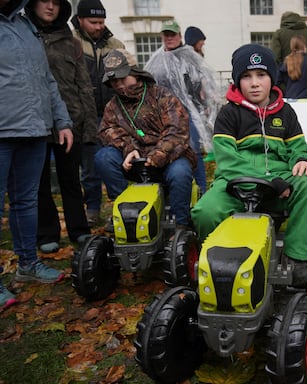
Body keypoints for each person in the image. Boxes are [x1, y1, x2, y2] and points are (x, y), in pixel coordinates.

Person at [191, 44, 307, 288]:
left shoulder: (285, 112)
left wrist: (303, 160)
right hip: (234, 183)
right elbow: (228, 160)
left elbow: (298, 148)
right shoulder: (228, 114)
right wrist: (268, 182)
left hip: (281, 178)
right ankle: (213, 262)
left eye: (261, 75)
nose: (255, 83)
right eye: (246, 76)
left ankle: (296, 261)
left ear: (272, 78)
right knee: (205, 211)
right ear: (237, 81)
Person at [0, 0, 73, 289]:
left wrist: (62, 121)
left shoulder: (24, 26)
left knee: (26, 201)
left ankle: (28, 264)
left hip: (33, 130)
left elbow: (47, 80)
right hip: (3, 130)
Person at [95, 49, 196, 228]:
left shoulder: (162, 96)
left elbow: (177, 130)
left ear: (134, 73)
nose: (118, 85)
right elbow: (107, 129)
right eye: (113, 81)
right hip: (135, 162)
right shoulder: (113, 105)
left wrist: (157, 155)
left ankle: (181, 224)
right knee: (104, 157)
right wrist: (128, 148)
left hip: (169, 160)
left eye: (122, 78)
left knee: (180, 172)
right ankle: (125, 211)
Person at [25, 0, 96, 254]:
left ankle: (78, 230)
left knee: (71, 181)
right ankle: (47, 233)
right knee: (39, 182)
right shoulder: (25, 35)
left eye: (56, 3)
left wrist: (89, 127)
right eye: (44, 1)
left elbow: (84, 85)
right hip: (35, 122)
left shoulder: (72, 42)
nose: (50, 7)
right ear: (32, 5)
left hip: (71, 121)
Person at [145, 20, 221, 194]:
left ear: (179, 36)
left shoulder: (188, 55)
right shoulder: (157, 58)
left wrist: (205, 104)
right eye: (166, 35)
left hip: (188, 113)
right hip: (163, 114)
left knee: (192, 149)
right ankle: (172, 190)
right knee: (166, 148)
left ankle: (201, 189)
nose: (169, 38)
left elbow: (203, 81)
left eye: (172, 34)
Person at [71, 0, 125, 227]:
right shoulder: (71, 43)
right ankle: (92, 208)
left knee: (116, 163)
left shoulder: (115, 44)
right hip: (84, 116)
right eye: (93, 22)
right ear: (80, 20)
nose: (99, 26)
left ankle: (120, 208)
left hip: (112, 115)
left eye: (102, 21)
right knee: (89, 168)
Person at [276, 34, 307, 98]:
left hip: (291, 98)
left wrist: (286, 91)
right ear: (304, 46)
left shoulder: (285, 62)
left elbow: (277, 82)